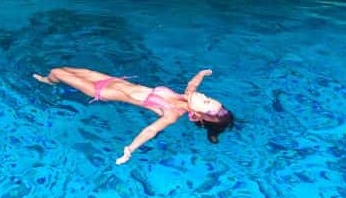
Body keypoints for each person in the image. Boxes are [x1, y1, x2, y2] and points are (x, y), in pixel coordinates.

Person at [32, 67, 234, 164]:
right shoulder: (187, 97)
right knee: (64, 69)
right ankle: (51, 80)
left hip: (101, 92)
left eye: (206, 101)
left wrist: (130, 150)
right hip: (110, 79)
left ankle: (49, 82)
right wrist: (202, 74)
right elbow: (193, 85)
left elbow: (151, 130)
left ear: (197, 114)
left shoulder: (172, 113)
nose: (204, 96)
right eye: (208, 97)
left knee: (56, 72)